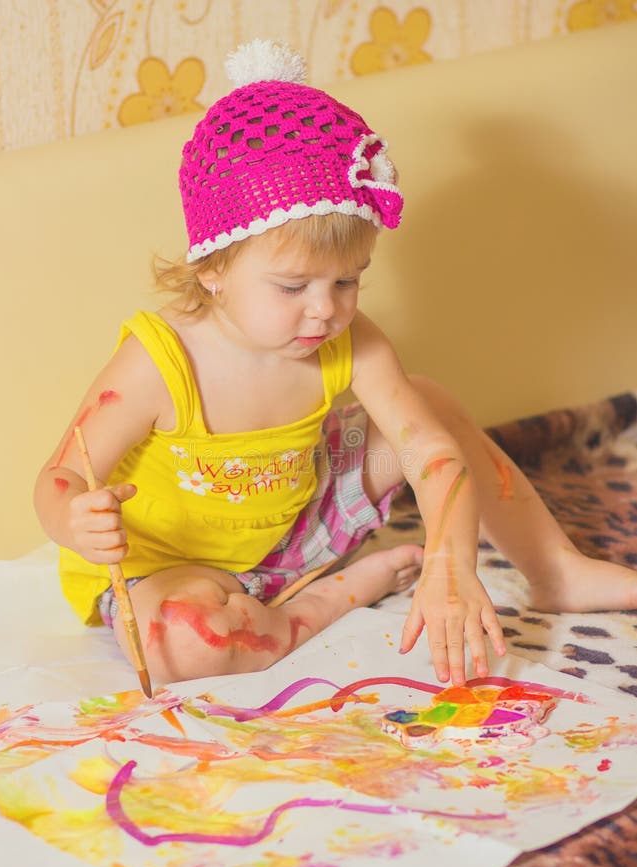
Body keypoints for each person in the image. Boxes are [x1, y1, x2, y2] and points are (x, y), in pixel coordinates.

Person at [34, 40, 637, 689]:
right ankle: (340, 594)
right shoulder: (157, 361)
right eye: (293, 288)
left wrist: (449, 562)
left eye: (348, 282)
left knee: (427, 401)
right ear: (212, 268)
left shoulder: (354, 343)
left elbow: (428, 451)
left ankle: (551, 567)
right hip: (169, 565)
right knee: (180, 648)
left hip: (297, 532)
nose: (324, 312)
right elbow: (60, 477)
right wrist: (74, 521)